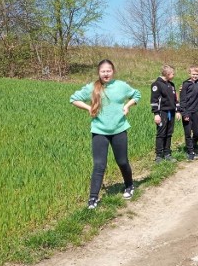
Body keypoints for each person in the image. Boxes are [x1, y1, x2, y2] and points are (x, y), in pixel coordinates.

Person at [70, 59, 141, 209]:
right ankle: (93, 198)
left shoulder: (121, 86)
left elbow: (137, 94)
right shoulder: (92, 87)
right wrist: (88, 108)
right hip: (99, 131)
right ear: (99, 72)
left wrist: (128, 105)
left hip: (119, 129)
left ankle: (129, 185)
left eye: (108, 71)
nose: (106, 74)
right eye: (103, 71)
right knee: (99, 164)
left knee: (122, 161)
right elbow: (74, 99)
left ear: (113, 71)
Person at [151, 64, 181, 163]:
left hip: (171, 112)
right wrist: (156, 114)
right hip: (162, 113)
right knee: (161, 134)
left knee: (169, 133)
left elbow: (175, 99)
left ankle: (167, 153)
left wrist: (177, 111)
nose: (174, 75)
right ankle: (159, 155)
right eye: (173, 74)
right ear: (167, 74)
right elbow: (154, 100)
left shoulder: (171, 85)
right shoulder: (157, 84)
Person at [180, 65, 198, 161]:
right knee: (188, 133)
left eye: (197, 74)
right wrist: (184, 113)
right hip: (187, 111)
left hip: (196, 111)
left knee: (197, 131)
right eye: (193, 74)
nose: (195, 76)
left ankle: (193, 145)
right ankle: (190, 152)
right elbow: (182, 100)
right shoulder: (185, 84)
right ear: (189, 74)